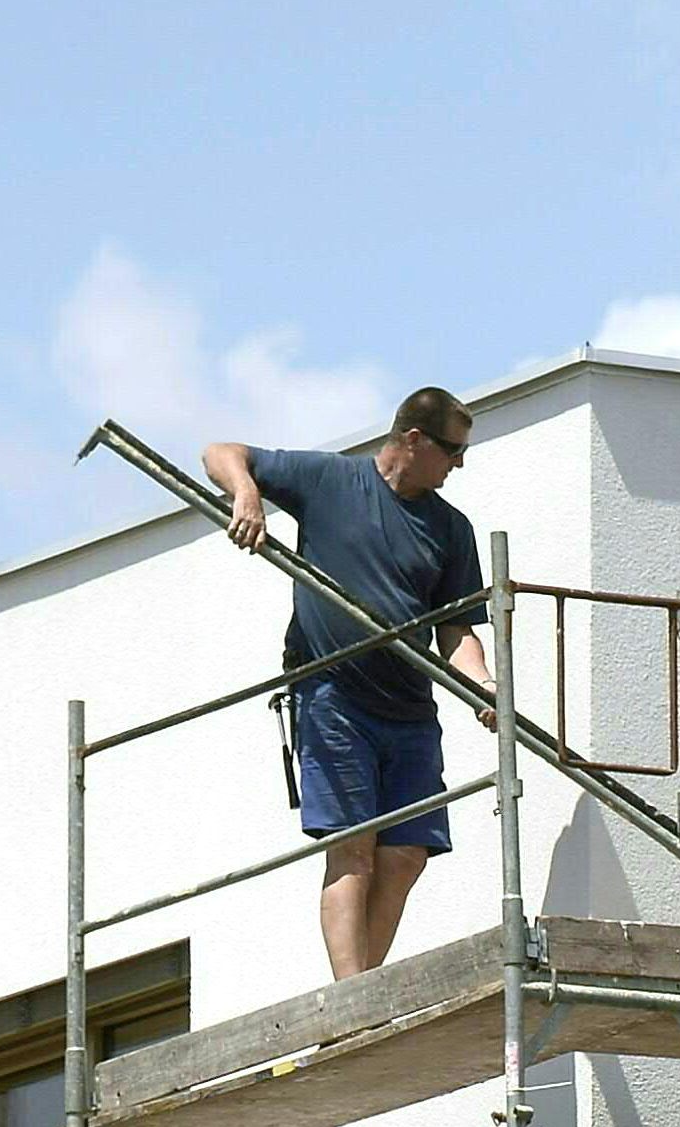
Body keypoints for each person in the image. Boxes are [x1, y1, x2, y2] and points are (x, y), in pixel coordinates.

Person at [205, 388, 496, 979]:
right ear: (413, 440)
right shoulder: (332, 481)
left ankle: (361, 989)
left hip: (409, 708)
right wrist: (247, 493)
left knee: (408, 854)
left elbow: (457, 629)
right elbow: (221, 452)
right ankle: (352, 996)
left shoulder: (451, 530)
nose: (459, 465)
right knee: (353, 849)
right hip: (333, 695)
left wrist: (484, 684)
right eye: (452, 450)